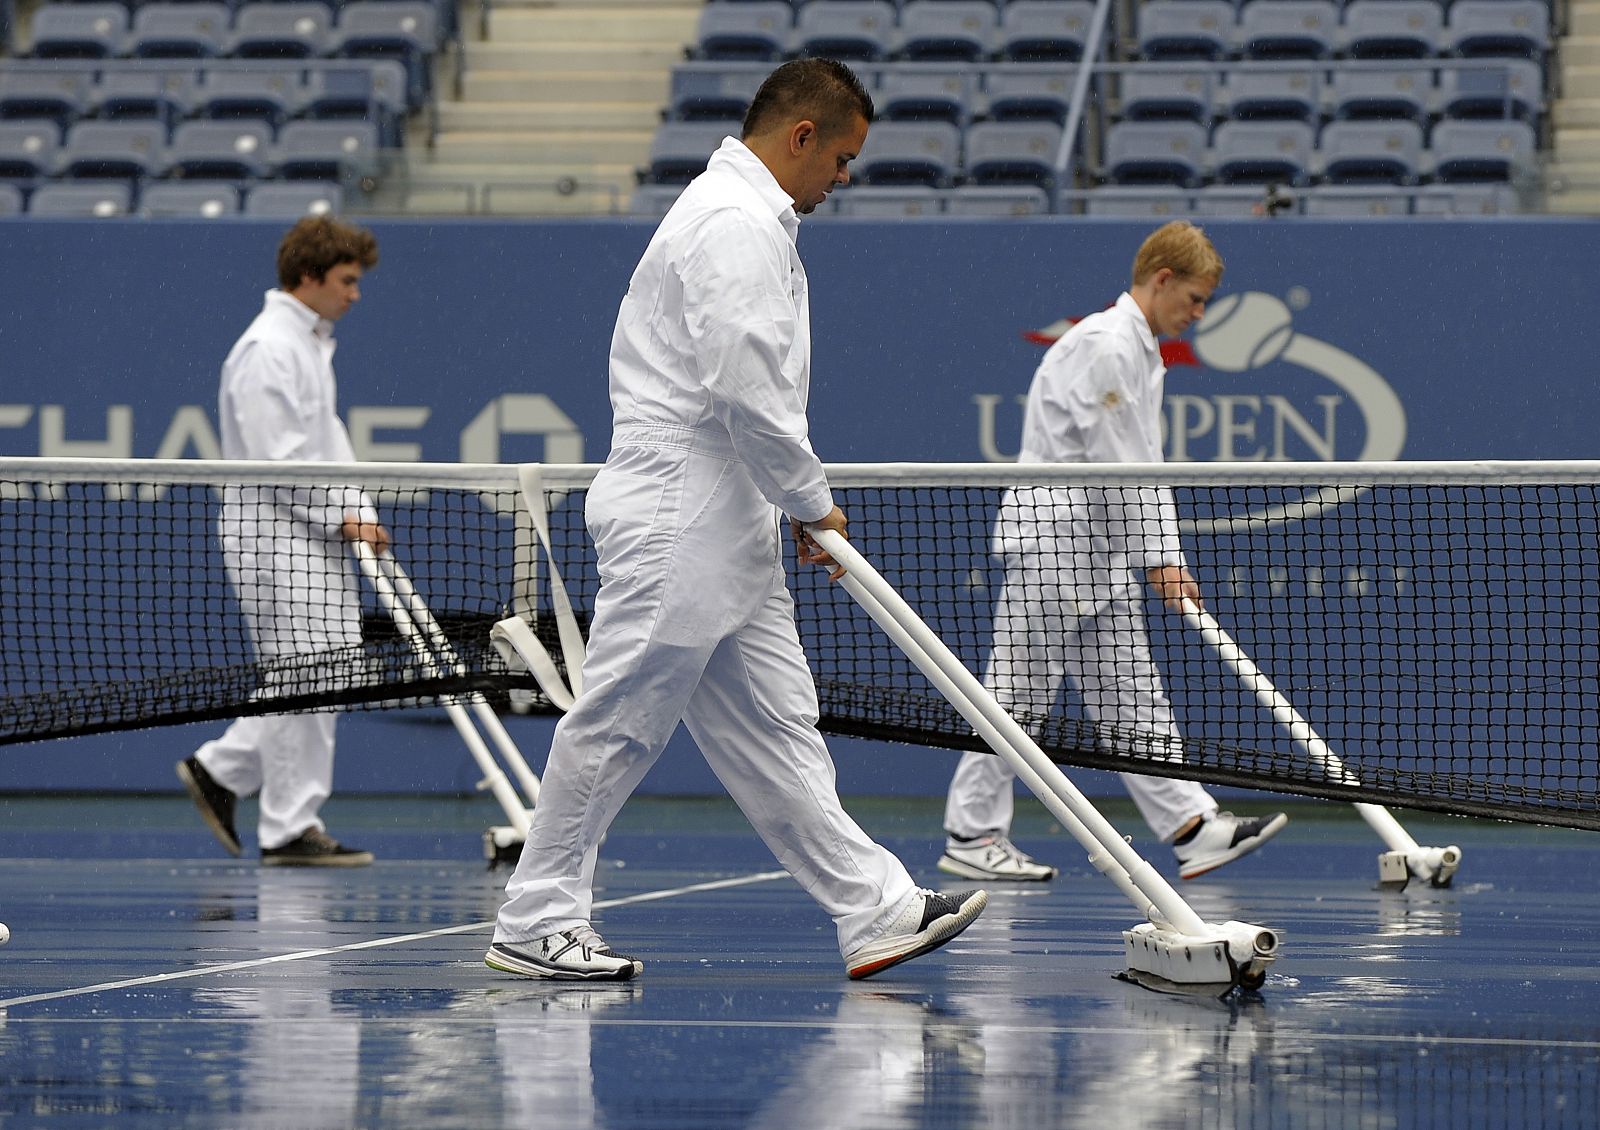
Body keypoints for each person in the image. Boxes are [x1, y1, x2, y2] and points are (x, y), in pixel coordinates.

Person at [485, 58, 987, 983]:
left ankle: (872, 908)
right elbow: (743, 386)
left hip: (731, 516)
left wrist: (781, 497)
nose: (844, 178)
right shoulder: (730, 223)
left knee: (777, 724)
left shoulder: (753, 220)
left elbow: (751, 396)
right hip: (681, 514)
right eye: (841, 158)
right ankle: (536, 914)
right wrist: (808, 496)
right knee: (622, 718)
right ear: (802, 137)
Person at [939, 221, 1287, 884]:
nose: (1200, 313)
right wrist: (1160, 554)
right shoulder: (1106, 344)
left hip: (1098, 551)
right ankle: (972, 833)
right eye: (1195, 297)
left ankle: (1192, 829)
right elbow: (1119, 464)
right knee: (1016, 696)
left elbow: (1135, 465)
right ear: (1161, 281)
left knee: (1132, 696)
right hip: (1055, 545)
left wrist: (1150, 551)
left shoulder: (1137, 348)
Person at [177, 216, 385, 868]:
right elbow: (279, 459)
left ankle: (222, 768)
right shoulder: (270, 349)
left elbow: (325, 442)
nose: (355, 295)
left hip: (308, 532)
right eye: (347, 281)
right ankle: (287, 825)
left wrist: (357, 507)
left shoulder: (307, 344)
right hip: (272, 537)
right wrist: (342, 516)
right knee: (309, 676)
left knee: (331, 668)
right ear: (309, 276)